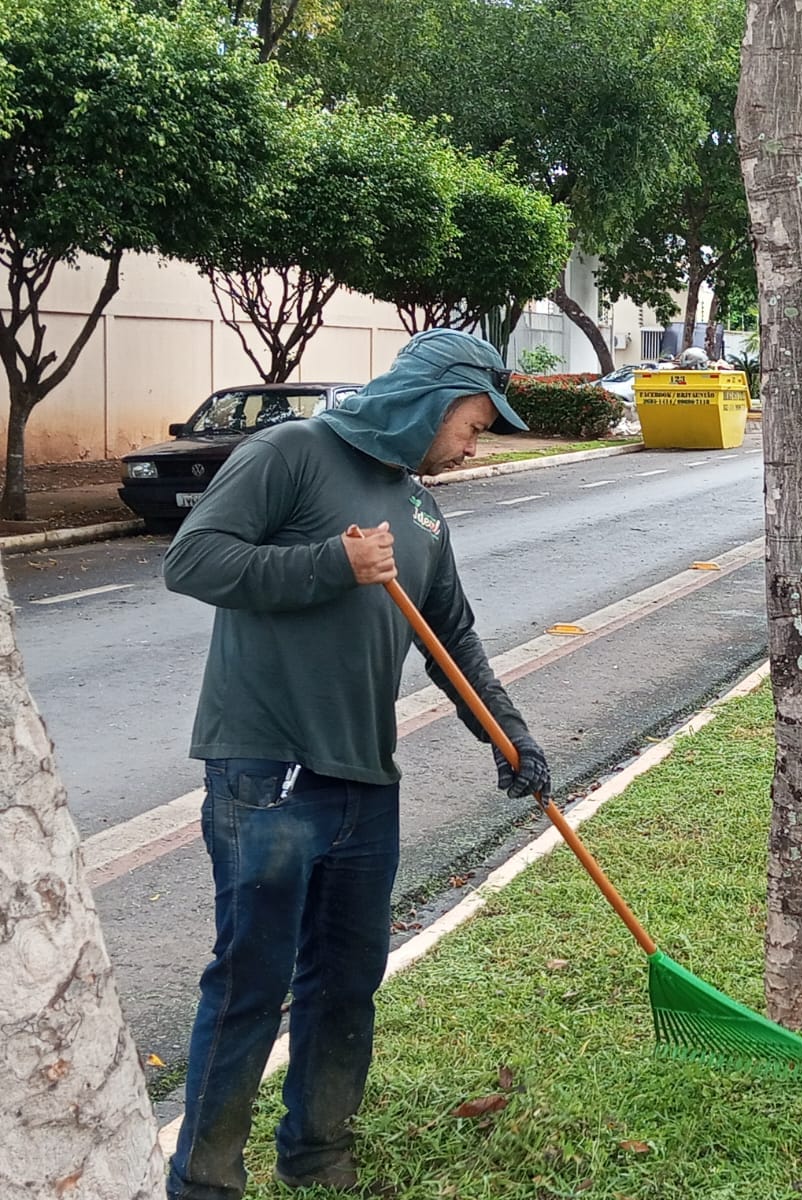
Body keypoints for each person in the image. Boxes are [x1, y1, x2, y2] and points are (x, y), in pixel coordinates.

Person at [162, 328, 551, 1199]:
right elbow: (191, 561)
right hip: (267, 772)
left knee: (346, 982)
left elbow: (453, 636)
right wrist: (331, 563)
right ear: (433, 401)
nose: (474, 442)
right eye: (477, 423)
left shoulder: (419, 509)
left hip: (364, 781)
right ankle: (204, 1182)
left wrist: (511, 736)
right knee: (251, 981)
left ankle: (318, 1157)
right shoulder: (291, 452)